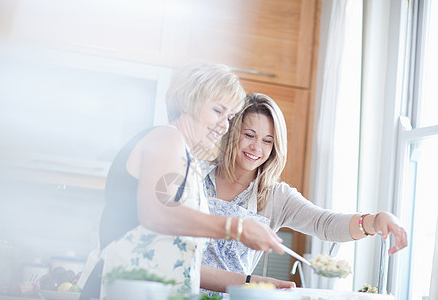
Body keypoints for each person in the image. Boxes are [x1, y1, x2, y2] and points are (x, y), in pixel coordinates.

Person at [79, 63, 286, 299]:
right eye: (218, 111)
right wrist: (237, 228)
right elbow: (156, 213)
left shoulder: (187, 159)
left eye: (229, 116)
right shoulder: (167, 138)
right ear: (190, 102)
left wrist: (252, 281)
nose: (225, 125)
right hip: (123, 289)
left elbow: (182, 258)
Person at [198, 93, 408, 295]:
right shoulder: (194, 174)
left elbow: (325, 224)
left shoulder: (275, 196)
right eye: (249, 135)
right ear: (231, 132)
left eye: (267, 141)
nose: (256, 147)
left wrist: (376, 221)